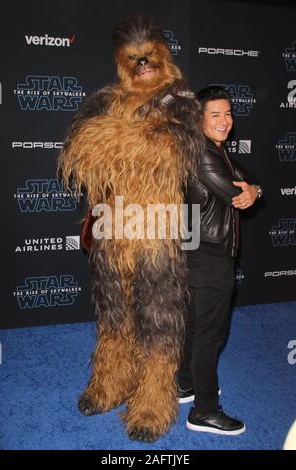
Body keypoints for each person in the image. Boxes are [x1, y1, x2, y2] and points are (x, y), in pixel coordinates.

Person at [59, 14, 203, 442]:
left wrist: (114, 142)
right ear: (122, 64)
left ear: (165, 56)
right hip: (111, 230)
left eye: (150, 57)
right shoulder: (105, 99)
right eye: (134, 60)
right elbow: (77, 148)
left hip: (156, 232)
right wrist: (130, 138)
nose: (143, 65)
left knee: (159, 323)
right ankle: (110, 384)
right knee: (113, 315)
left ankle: (152, 406)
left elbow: (168, 153)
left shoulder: (181, 102)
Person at [177, 85, 263, 435]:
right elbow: (233, 191)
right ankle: (204, 411)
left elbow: (248, 180)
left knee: (195, 328)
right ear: (198, 119)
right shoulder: (202, 154)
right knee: (211, 335)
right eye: (215, 114)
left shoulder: (213, 150)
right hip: (210, 257)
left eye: (228, 113)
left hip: (198, 251)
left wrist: (256, 189)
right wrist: (248, 190)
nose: (225, 121)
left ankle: (184, 384)